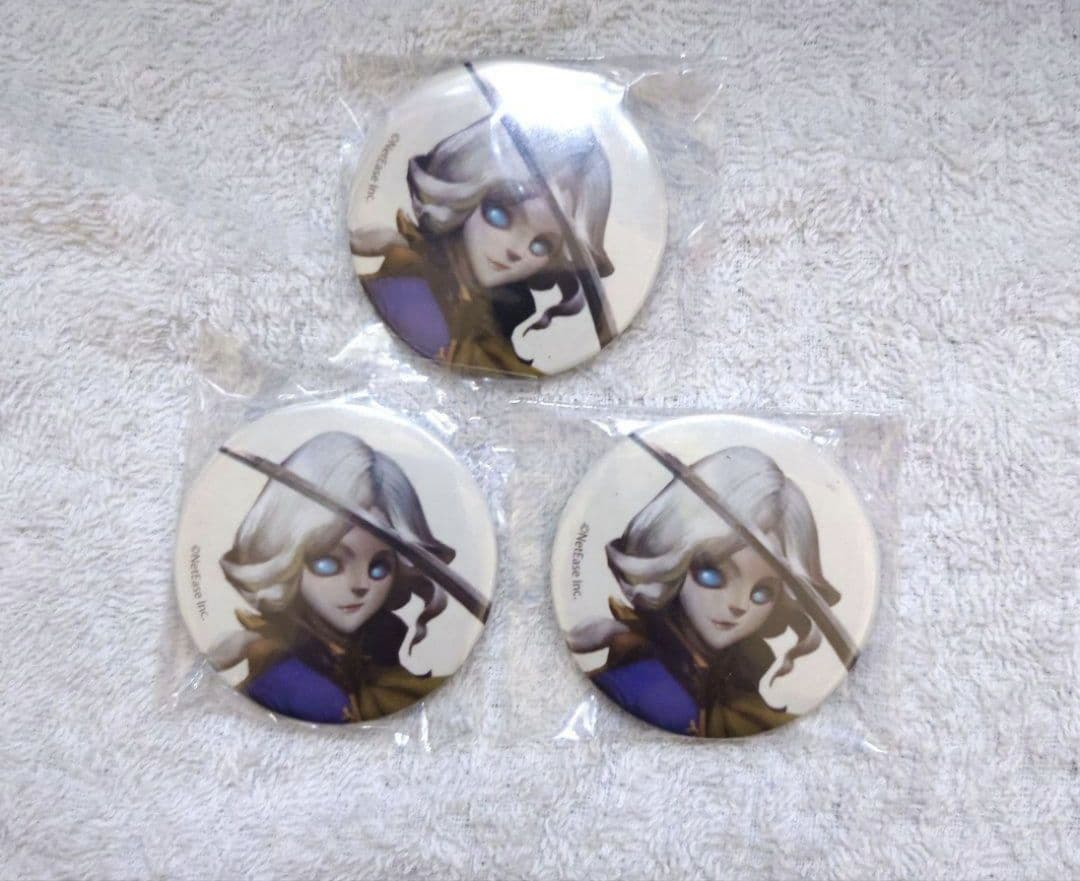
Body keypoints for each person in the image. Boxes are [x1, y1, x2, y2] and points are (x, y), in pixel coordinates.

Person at [567, 446, 840, 738]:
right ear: (673, 558)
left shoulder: (746, 697)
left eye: (762, 593)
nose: (738, 605)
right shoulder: (637, 680)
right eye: (713, 575)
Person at [209, 432, 453, 724]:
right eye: (328, 563)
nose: (360, 585)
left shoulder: (382, 663)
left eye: (379, 567)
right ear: (285, 552)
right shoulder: (291, 681)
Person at [351, 116, 614, 376]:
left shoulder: (489, 328)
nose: (515, 250)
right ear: (465, 196)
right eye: (500, 215)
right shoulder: (411, 292)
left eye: (541, 245)